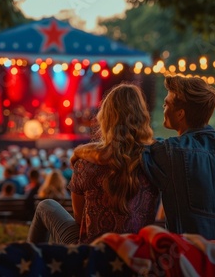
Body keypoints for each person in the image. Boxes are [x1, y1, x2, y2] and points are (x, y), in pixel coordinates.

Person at [27, 84, 159, 244]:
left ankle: (32, 262)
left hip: (92, 253)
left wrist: (79, 151)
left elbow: (79, 218)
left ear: (105, 117)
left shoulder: (85, 164)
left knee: (45, 206)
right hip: (138, 250)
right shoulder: (155, 159)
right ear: (143, 116)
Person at [141, 74, 215, 241]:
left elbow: (132, 152)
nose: (164, 107)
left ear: (180, 114)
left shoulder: (168, 152)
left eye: (166, 104)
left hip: (196, 256)